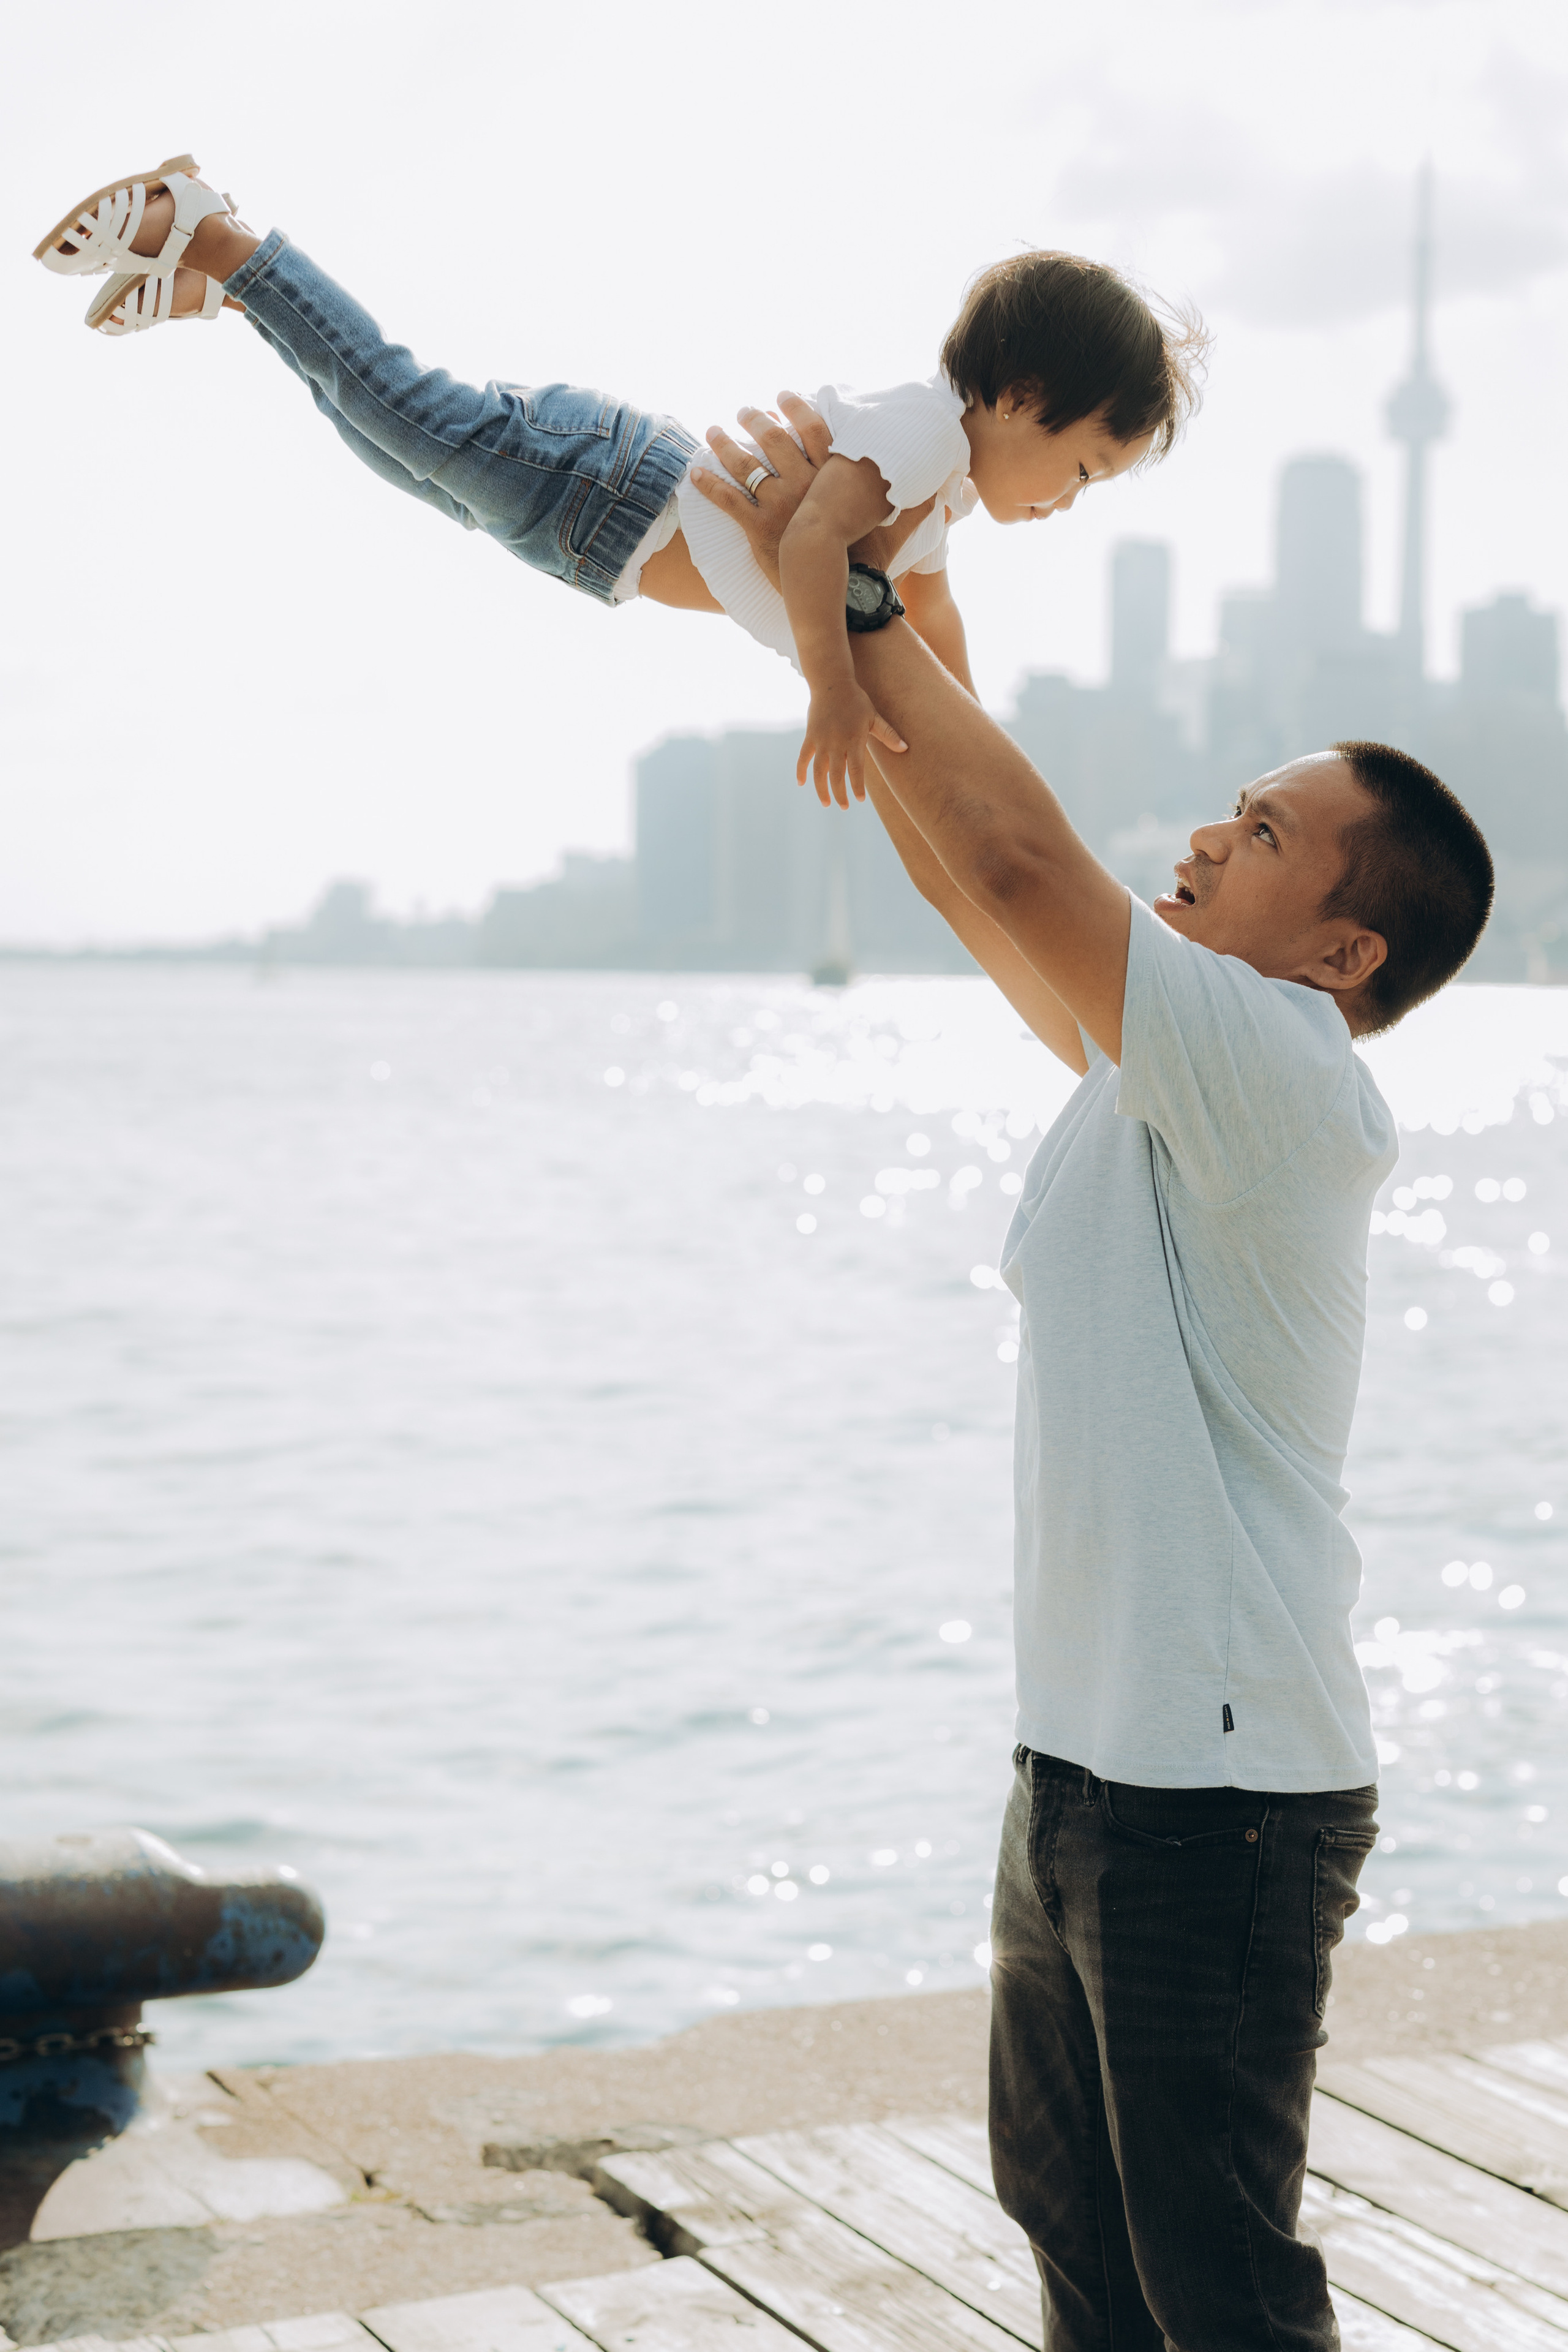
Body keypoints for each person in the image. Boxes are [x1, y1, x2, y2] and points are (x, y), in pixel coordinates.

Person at [693, 401, 1493, 2352]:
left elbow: (1025, 851)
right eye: (1238, 802)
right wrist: (894, 586)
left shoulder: (1284, 1080)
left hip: (1218, 1796)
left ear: (1342, 947)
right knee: (1075, 2228)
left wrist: (855, 585)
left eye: (1271, 833)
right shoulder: (1162, 1071)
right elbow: (981, 879)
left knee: (1214, 2282)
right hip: (1090, 1766)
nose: (1216, 830)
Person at [33, 157, 1202, 802]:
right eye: (1084, 469)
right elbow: (804, 548)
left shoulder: (940, 495)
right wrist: (836, 694)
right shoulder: (923, 441)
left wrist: (972, 732)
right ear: (1019, 396)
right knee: (393, 403)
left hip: (594, 535)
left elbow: (932, 613)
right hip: (608, 487)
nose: (1065, 505)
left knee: (382, 440)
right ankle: (225, 236)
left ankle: (230, 292)